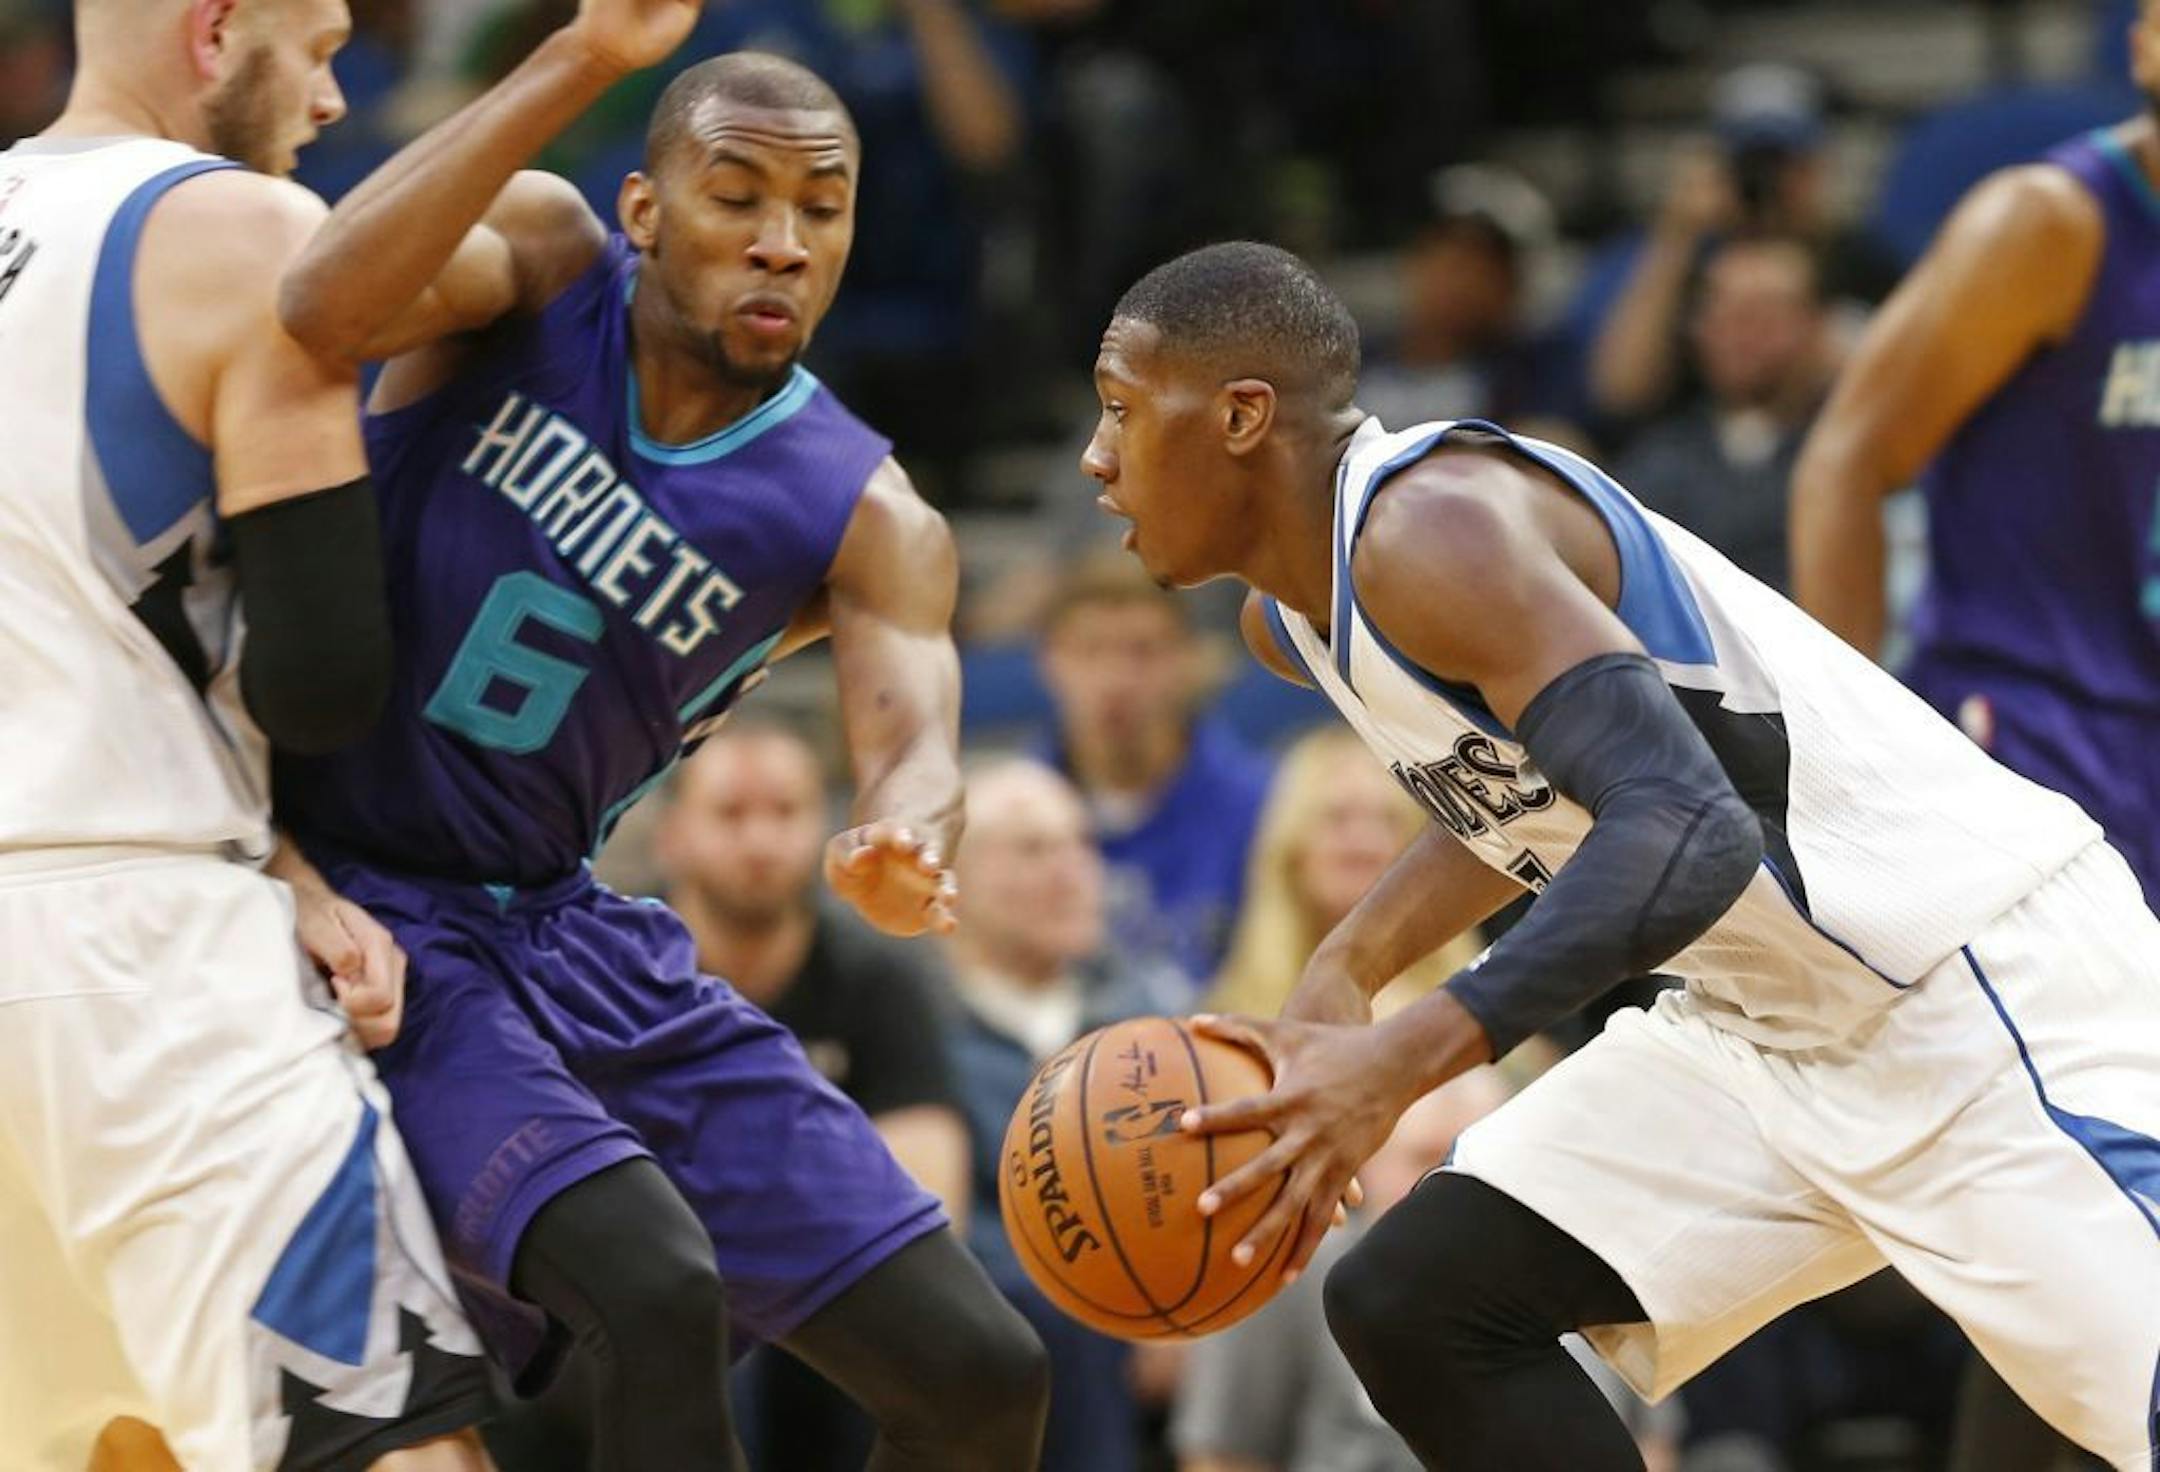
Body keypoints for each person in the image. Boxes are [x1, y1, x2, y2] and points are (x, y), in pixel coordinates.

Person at [1082, 239, 2160, 1469]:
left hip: (1975, 986)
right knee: (1424, 1300)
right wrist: (1351, 960)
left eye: (1120, 408)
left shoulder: (1430, 530)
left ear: (1239, 415)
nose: (1096, 458)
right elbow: (1529, 790)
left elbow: (1685, 826)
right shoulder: (1292, 620)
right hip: (1768, 1025)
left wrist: (1403, 1059)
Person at [268, 14, 1048, 1471]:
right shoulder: (547, 262)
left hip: (560, 927)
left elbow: (916, 728)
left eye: (821, 211)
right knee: (655, 1286)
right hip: (354, 880)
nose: (780, 243)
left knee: (980, 1372)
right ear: (646, 208)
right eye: (735, 195)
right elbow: (318, 301)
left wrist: (909, 831)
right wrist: (582, 60)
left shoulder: (862, 512)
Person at [0, 0, 497, 1464]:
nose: (339, 102)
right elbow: (325, 679)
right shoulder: (240, 229)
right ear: (217, 31)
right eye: (325, 46)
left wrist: (279, 858)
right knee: (398, 1449)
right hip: (143, 982)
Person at [1790, 12, 2160, 1464]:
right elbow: (1845, 455)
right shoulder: (2050, 222)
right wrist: (1840, 749)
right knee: (2090, 1230)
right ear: (2142, 45)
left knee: (2100, 1260)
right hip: (2031, 768)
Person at [656, 722, 971, 1472]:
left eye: (786, 812)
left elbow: (932, 1199)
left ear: (826, 830)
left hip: (833, 1269)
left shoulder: (877, 975)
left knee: (991, 1316)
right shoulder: (618, 968)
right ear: (671, 835)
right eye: (731, 814)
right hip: (666, 1269)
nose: (760, 840)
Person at [1172, 1069, 1685, 1472]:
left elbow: (1652, 1446)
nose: (1441, 1187)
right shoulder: (1300, 1272)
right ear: (1363, 1163)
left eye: (1463, 1161)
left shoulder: (1586, 1259)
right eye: (1420, 1156)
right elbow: (1223, 1457)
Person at [943, 756, 1186, 1472]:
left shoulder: (1153, 1015)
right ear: (951, 876)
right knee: (1049, 1315)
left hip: (1156, 1327)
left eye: (1080, 844)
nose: (1070, 870)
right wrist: (1111, 1294)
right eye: (1031, 849)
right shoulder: (914, 1018)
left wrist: (1182, 1306)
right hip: (1001, 1321)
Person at [1038, 551, 1274, 991]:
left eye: (1142, 652)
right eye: (1091, 651)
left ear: (1189, 662)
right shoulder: (1005, 820)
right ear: (1050, 662)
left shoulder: (1266, 808)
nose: (1116, 678)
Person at [1208, 727, 1479, 1023]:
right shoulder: (1222, 1024)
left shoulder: (1482, 1024)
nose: (1364, 843)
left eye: (1390, 820)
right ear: (1291, 850)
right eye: (1337, 818)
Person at [1616, 235, 1832, 593]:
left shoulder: (1847, 460)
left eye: (1765, 316)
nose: (1743, 335)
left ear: (1816, 327)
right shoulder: (1660, 460)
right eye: (1724, 313)